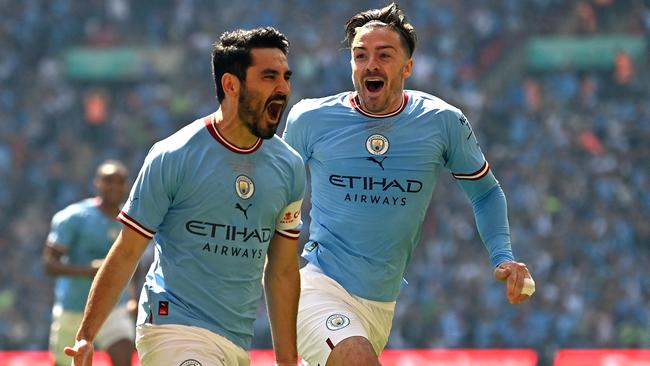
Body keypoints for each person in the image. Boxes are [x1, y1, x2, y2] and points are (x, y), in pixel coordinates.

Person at [282, 3, 535, 365]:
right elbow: (272, 191)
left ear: (408, 67)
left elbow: (486, 192)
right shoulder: (311, 118)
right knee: (355, 357)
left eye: (384, 55)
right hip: (318, 285)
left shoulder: (442, 122)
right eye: (360, 55)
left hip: (381, 304)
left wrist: (503, 256)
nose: (371, 64)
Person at [64, 27, 305, 366]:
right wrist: (86, 335)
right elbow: (127, 251)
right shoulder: (174, 154)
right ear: (231, 85)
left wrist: (287, 361)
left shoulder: (289, 167)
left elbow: (281, 271)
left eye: (285, 77)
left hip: (236, 341)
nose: (283, 88)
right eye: (269, 76)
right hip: (171, 326)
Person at [43, 160, 136, 366]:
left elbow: (134, 262)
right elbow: (49, 264)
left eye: (119, 181)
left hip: (114, 307)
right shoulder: (72, 217)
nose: (114, 186)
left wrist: (134, 298)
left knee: (123, 358)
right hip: (74, 308)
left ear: (127, 186)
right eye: (108, 181)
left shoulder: (132, 220)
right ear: (96, 184)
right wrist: (89, 271)